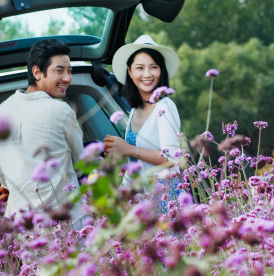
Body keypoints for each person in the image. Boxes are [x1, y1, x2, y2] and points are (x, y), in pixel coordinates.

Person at [0, 39, 91, 228]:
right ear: (37, 72)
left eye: (70, 71)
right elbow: (81, 165)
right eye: (60, 71)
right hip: (67, 225)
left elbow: (4, 179)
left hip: (24, 232)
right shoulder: (62, 111)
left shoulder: (2, 111)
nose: (67, 78)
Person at [104, 35, 182, 206]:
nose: (147, 74)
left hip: (167, 196)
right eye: (140, 68)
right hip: (144, 197)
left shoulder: (165, 106)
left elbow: (172, 158)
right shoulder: (135, 111)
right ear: (130, 72)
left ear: (161, 71)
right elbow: (134, 162)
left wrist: (129, 149)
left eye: (153, 67)